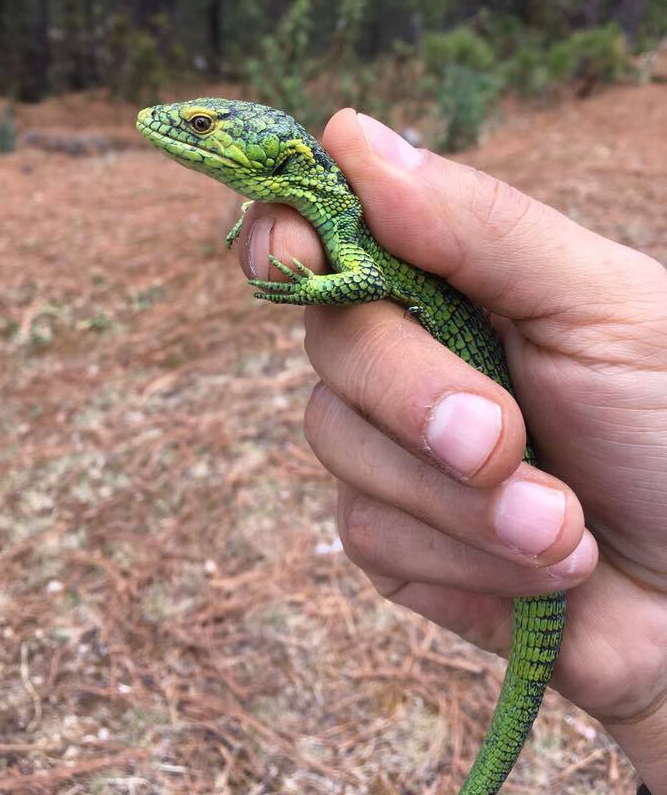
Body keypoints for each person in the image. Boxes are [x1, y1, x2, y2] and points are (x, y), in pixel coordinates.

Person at [237, 108, 667, 795]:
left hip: (534, 463)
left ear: (282, 159)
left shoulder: (348, 214)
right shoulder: (315, 200)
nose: (178, 130)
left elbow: (362, 279)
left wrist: (308, 287)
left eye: (203, 126)